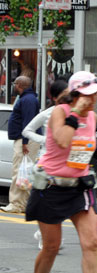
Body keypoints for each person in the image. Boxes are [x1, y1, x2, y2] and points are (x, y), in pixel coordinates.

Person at [24, 71, 97, 273]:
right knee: (51, 247)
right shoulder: (59, 113)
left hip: (79, 187)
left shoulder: (93, 116)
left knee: (92, 242)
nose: (94, 99)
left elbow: (84, 145)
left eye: (96, 94)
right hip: (52, 187)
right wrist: (76, 113)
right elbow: (64, 140)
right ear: (75, 95)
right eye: (89, 95)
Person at [22, 79, 69, 250]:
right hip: (46, 163)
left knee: (60, 200)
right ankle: (44, 236)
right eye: (66, 95)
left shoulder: (73, 114)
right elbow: (26, 130)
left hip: (65, 164)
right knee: (47, 200)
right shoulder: (48, 113)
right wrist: (45, 140)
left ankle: (44, 233)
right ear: (56, 98)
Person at [1, 76, 40, 213]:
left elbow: (28, 122)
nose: (13, 86)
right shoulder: (27, 98)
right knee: (24, 172)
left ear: (20, 85)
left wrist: (24, 142)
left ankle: (17, 204)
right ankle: (23, 203)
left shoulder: (28, 100)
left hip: (26, 140)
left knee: (19, 171)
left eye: (15, 84)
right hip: (25, 139)